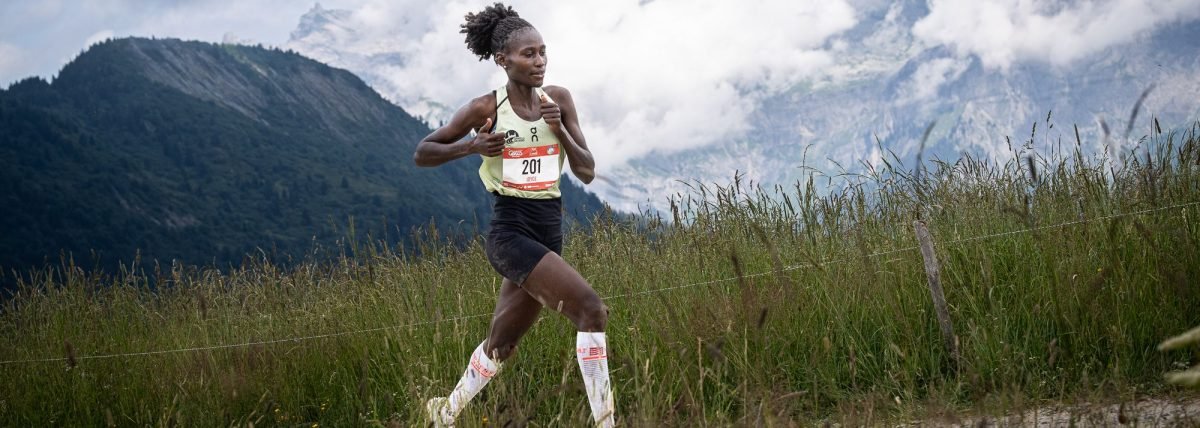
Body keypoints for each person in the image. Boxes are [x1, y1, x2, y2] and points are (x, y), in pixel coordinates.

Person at [412, 3, 614, 427]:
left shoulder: (557, 100)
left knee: (501, 344)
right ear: (503, 60)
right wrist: (471, 147)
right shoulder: (484, 109)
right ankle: (607, 421)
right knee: (591, 309)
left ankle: (443, 414)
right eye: (528, 54)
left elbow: (587, 171)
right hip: (510, 232)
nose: (539, 61)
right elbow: (423, 152)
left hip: (549, 229)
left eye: (543, 52)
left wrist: (559, 131)